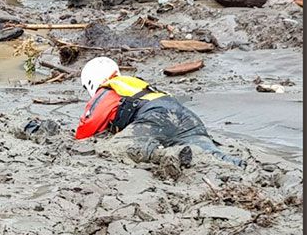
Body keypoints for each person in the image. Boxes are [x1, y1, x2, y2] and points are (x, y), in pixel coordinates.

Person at [75, 56, 245, 176]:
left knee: (114, 147)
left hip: (156, 116)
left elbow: (86, 129)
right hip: (185, 115)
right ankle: (231, 162)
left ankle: (170, 154)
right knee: (207, 150)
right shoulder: (134, 84)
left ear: (91, 81)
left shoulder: (106, 91)